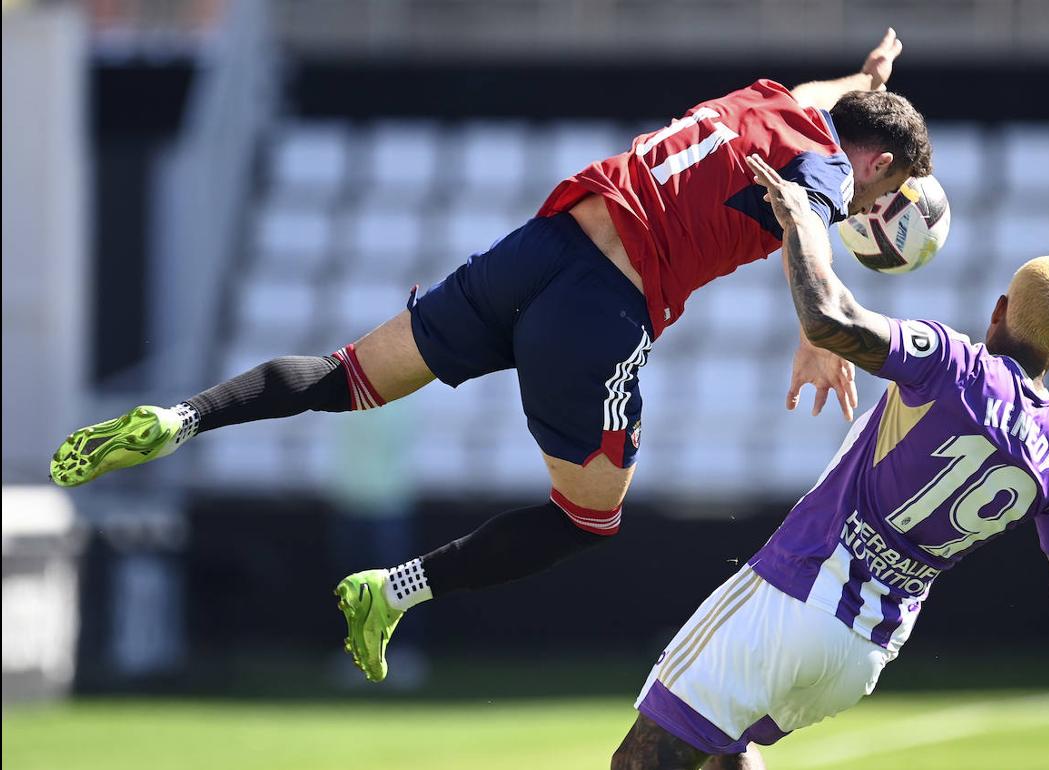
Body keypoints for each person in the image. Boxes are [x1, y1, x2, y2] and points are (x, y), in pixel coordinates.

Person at [49, 31, 931, 684]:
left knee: (347, 376)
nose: (871, 209)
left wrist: (870, 76)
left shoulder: (773, 100)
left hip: (534, 252)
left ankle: (183, 415)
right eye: (883, 190)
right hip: (601, 310)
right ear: (880, 159)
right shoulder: (823, 166)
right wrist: (822, 333)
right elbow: (809, 226)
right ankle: (390, 593)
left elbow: (829, 97)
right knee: (588, 519)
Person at [609, 155, 1049, 770]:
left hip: (796, 594)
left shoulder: (954, 364)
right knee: (727, 749)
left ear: (998, 308)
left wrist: (802, 219)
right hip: (863, 654)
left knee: (639, 764)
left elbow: (832, 317)